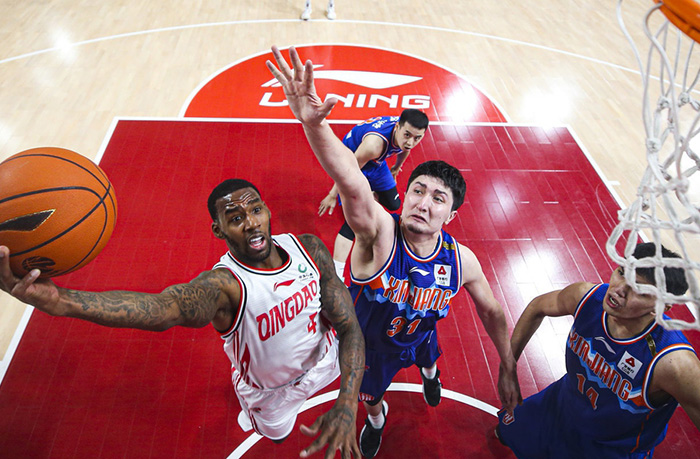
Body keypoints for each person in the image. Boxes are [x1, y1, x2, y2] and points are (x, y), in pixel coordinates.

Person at [266, 45, 521, 458]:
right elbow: (353, 183)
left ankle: (430, 374)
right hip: (373, 345)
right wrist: (314, 125)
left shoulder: (461, 260)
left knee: (429, 357)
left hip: (420, 331)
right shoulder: (380, 234)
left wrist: (507, 363)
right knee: (370, 399)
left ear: (452, 215)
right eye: (418, 191)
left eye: (438, 198)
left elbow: (492, 311)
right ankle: (377, 421)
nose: (423, 203)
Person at [0, 178, 365, 459]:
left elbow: (348, 325)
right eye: (236, 218)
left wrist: (348, 402)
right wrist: (61, 301)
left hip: (326, 362)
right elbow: (163, 309)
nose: (252, 224)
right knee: (279, 436)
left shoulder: (308, 249)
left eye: (256, 210)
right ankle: (262, 419)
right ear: (218, 230)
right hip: (271, 394)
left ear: (267, 210)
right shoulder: (224, 286)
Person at [496, 242, 700, 458]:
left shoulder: (674, 363)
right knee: (502, 434)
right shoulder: (586, 297)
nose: (619, 289)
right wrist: (507, 369)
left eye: (639, 289)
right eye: (622, 272)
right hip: (560, 407)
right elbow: (537, 307)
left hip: (608, 449)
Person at [317, 109, 429, 282]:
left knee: (394, 204)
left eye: (417, 138)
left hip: (376, 164)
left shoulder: (406, 133)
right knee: (354, 222)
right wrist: (332, 195)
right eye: (407, 135)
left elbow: (404, 148)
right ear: (397, 127)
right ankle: (336, 274)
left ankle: (371, 194)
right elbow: (347, 170)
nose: (410, 142)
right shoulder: (374, 145)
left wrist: (396, 168)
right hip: (353, 160)